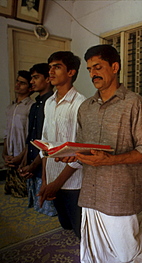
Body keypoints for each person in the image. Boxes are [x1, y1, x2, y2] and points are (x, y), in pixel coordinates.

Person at [67, 44, 142, 262]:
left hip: (118, 193)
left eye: (98, 67)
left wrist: (111, 160)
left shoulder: (134, 104)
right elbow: (84, 147)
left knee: (126, 253)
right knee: (95, 253)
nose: (93, 73)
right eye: (90, 69)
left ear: (114, 67)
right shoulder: (86, 107)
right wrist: (73, 155)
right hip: (91, 192)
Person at [38, 51, 86, 238]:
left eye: (57, 67)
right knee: (65, 224)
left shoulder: (80, 103)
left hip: (73, 182)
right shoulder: (49, 102)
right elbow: (45, 143)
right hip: (52, 178)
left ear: (71, 72)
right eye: (50, 67)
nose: (51, 71)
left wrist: (57, 183)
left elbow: (80, 151)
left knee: (80, 230)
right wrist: (45, 179)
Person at [19, 63, 57, 216]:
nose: (32, 82)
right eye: (31, 78)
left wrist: (34, 165)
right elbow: (31, 137)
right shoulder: (35, 105)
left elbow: (48, 141)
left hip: (45, 163)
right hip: (33, 162)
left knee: (50, 211)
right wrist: (24, 161)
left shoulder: (52, 104)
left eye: (36, 77)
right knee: (38, 207)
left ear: (48, 79)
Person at [3, 70, 33, 198]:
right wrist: (4, 154)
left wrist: (21, 156)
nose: (17, 85)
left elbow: (31, 136)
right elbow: (7, 133)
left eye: (22, 83)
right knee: (10, 193)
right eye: (17, 81)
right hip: (10, 156)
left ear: (30, 88)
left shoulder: (31, 106)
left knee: (22, 196)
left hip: (23, 157)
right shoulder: (10, 107)